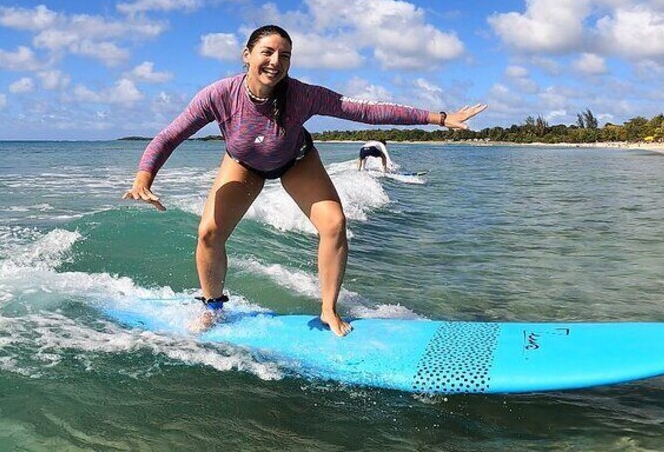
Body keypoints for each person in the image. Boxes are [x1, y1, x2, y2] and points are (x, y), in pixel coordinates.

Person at [122, 25, 486, 336]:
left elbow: (366, 111)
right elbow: (171, 135)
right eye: (267, 52)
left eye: (285, 55)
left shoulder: (301, 95)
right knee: (208, 233)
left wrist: (440, 118)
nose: (275, 62)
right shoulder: (219, 95)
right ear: (246, 54)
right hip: (243, 164)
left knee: (334, 223)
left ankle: (328, 309)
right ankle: (213, 306)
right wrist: (144, 177)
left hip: (296, 161)